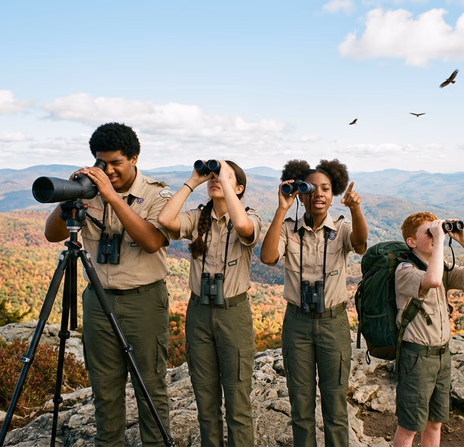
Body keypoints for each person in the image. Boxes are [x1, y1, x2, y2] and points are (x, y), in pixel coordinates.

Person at [44, 122, 172, 446]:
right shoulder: (92, 190)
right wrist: (71, 196)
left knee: (149, 389)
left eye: (117, 163)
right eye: (103, 163)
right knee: (105, 390)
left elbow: (152, 241)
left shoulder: (157, 194)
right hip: (99, 301)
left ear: (134, 158)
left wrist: (111, 197)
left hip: (143, 301)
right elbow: (52, 234)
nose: (110, 170)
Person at [260, 159, 368, 447]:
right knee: (300, 403)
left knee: (335, 404)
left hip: (333, 322)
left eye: (326, 188)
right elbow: (268, 257)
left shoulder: (342, 228)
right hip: (297, 322)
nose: (319, 193)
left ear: (333, 194)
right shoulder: (288, 229)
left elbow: (359, 242)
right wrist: (283, 206)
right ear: (301, 193)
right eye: (311, 188)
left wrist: (356, 209)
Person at [157, 159, 261, 447]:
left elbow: (242, 226)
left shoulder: (250, 217)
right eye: (213, 177)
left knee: (238, 401)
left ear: (238, 187)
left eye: (225, 177)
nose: (215, 179)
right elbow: (165, 220)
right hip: (199, 312)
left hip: (233, 313)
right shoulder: (197, 218)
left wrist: (225, 181)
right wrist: (193, 180)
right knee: (205, 399)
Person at [393, 212, 464, 447]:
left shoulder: (442, 268)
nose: (435, 235)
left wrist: (463, 240)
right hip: (417, 357)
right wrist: (440, 242)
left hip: (442, 355)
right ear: (411, 242)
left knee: (435, 422)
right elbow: (432, 280)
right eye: (428, 233)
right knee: (409, 426)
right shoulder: (404, 270)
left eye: (436, 230)